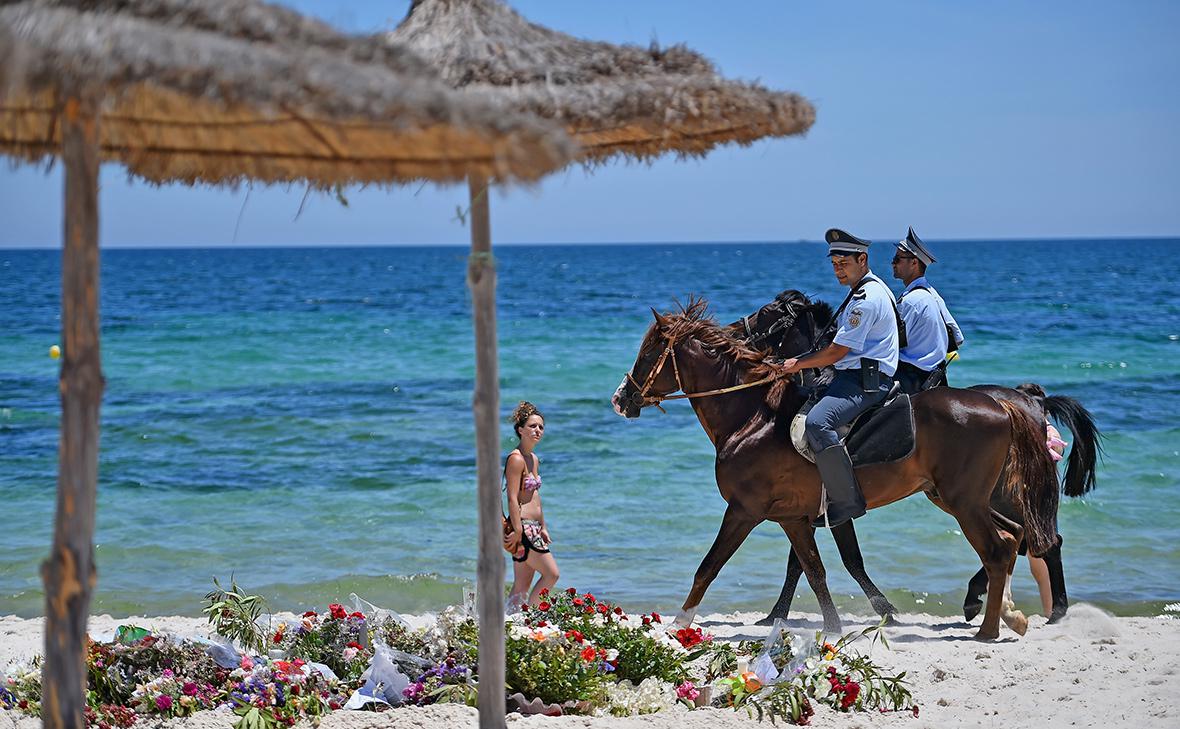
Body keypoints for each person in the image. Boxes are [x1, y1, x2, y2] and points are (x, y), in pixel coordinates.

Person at [782, 229, 900, 528]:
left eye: (843, 263)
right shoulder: (867, 290)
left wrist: (796, 364)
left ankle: (846, 500)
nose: (837, 269)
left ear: (862, 259)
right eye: (834, 263)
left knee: (817, 423)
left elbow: (836, 352)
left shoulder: (866, 299)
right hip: (854, 374)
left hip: (863, 382)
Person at [891, 227, 965, 394]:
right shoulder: (934, 295)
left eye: (898, 258)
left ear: (914, 262)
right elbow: (957, 338)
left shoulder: (910, 300)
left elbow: (890, 344)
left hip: (909, 379)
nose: (892, 263)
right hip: (935, 377)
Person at [503, 401, 559, 609]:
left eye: (541, 427)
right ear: (520, 430)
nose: (538, 430)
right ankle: (534, 618)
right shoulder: (515, 459)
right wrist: (517, 529)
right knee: (552, 574)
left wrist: (543, 526)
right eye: (532, 426)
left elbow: (535, 496)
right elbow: (511, 497)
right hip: (524, 527)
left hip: (534, 527)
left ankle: (508, 622)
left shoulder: (533, 459)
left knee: (521, 585)